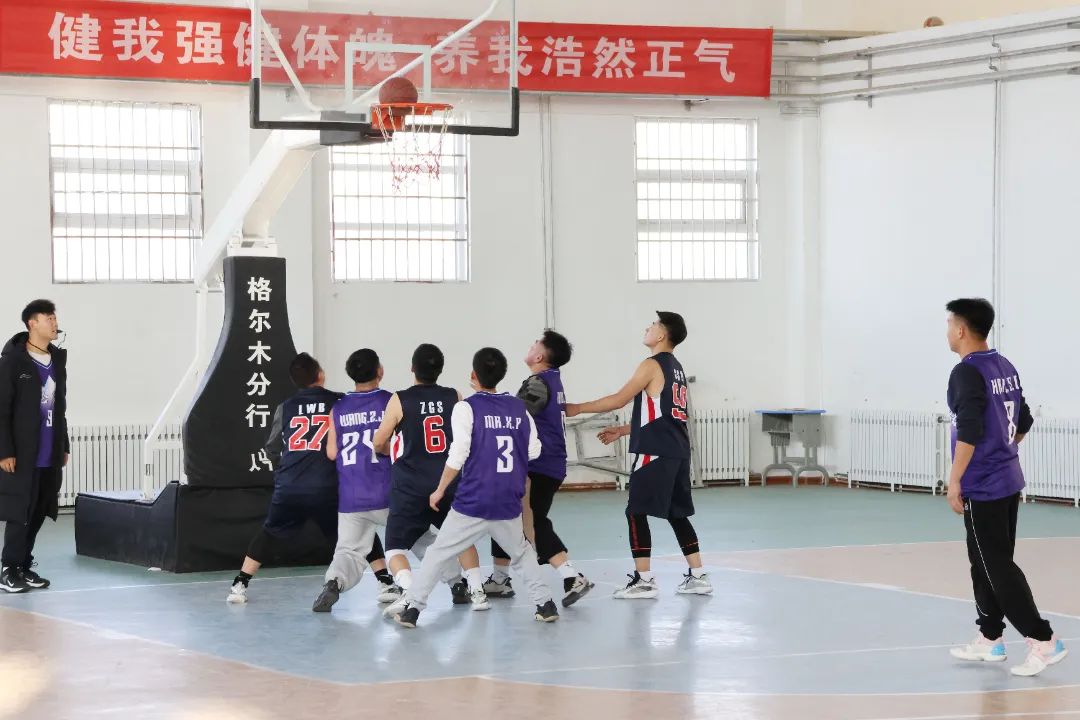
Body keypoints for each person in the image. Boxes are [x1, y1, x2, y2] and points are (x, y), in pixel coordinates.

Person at [390, 347, 559, 628]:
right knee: (521, 552)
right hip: (507, 498)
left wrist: (441, 488)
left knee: (438, 552)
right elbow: (534, 450)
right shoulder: (519, 408)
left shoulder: (466, 407)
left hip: (474, 499)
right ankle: (545, 603)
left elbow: (458, 454)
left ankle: (413, 610)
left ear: (473, 375)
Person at [944, 299, 1067, 677]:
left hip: (983, 485)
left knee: (996, 566)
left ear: (962, 329)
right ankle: (990, 638)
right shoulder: (1003, 365)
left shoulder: (966, 372)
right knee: (984, 561)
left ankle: (1043, 639)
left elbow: (969, 429)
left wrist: (954, 479)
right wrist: (1004, 450)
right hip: (1008, 480)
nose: (947, 331)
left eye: (950, 324)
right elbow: (1024, 418)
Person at [226, 353, 393, 604]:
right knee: (361, 527)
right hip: (327, 487)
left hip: (290, 485)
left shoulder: (286, 407)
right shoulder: (339, 402)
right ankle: (385, 582)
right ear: (321, 375)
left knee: (269, 532)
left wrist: (286, 471)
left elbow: (272, 448)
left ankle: (240, 584)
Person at [566, 311, 712, 599]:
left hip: (654, 451)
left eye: (654, 325)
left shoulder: (651, 364)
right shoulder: (676, 367)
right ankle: (698, 576)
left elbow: (619, 399)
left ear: (661, 335)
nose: (648, 327)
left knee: (635, 511)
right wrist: (623, 430)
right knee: (677, 514)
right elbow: (661, 414)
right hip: (678, 451)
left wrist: (577, 407)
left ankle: (644, 580)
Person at [372, 343, 488, 610]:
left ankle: (411, 591)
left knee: (394, 547)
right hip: (448, 482)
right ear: (441, 369)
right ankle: (477, 592)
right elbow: (465, 438)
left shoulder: (399, 399)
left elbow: (379, 441)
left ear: (412, 368)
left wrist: (394, 450)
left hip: (410, 486)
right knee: (461, 539)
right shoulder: (454, 396)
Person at [486, 330, 594, 607]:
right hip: (547, 463)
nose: (530, 345)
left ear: (539, 356)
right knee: (506, 514)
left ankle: (571, 575)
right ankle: (499, 579)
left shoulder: (537, 383)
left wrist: (484, 403)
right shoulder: (552, 380)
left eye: (534, 343)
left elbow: (517, 415)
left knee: (531, 521)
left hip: (540, 464)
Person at [312, 349, 399, 612]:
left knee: (347, 551)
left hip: (351, 495)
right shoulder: (390, 401)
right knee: (420, 538)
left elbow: (332, 452)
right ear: (380, 371)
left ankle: (333, 583)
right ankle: (457, 583)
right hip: (386, 490)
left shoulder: (338, 407)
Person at [0, 300, 69, 593]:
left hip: (49, 450)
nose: (54, 322)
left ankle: (23, 566)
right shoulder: (13, 361)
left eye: (55, 318)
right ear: (32, 323)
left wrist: (63, 444)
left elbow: (61, 406)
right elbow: (2, 408)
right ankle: (7, 568)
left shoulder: (57, 359)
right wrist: (4, 450)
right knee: (20, 510)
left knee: (40, 509)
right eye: (48, 318)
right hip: (21, 453)